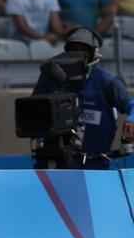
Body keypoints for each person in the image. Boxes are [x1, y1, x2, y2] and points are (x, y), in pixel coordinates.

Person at [33, 28, 134, 169]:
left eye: (83, 50)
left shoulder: (107, 82)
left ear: (94, 53)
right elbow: (32, 110)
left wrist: (131, 120)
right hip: (56, 164)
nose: (78, 54)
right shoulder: (51, 78)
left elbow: (131, 106)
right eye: (73, 49)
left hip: (96, 166)